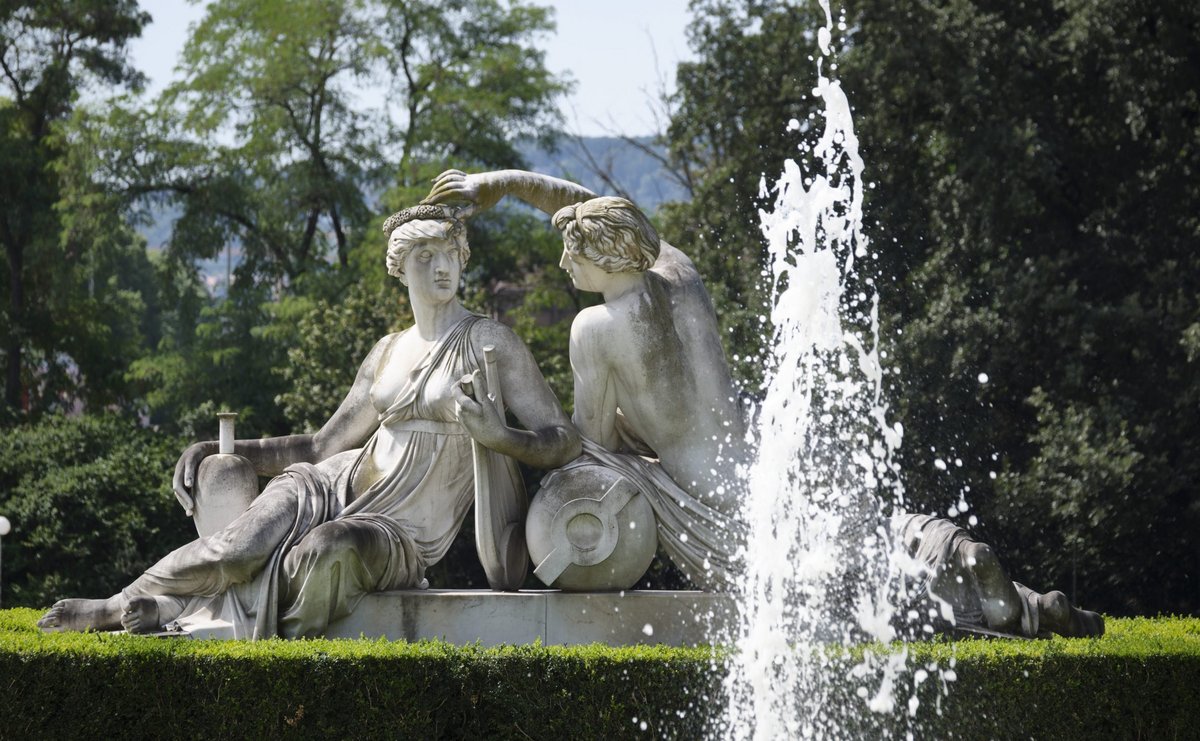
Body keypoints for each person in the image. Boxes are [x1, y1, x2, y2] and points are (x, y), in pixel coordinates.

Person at [38, 204, 580, 638]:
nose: (442, 266)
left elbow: (563, 440)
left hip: (400, 531)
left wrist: (501, 437)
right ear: (400, 268)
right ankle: (118, 603)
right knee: (240, 547)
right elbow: (321, 446)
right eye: (424, 255)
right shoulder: (387, 351)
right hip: (334, 481)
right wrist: (221, 447)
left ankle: (192, 618)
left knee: (324, 551)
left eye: (451, 254)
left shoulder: (489, 342)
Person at [423, 171, 747, 589]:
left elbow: (588, 444)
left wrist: (501, 436)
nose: (563, 264)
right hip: (751, 467)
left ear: (603, 257)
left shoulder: (595, 327)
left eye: (572, 255)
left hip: (705, 501)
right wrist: (503, 183)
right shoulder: (678, 273)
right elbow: (603, 209)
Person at [895, 513, 1104, 637]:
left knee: (966, 609)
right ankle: (1036, 606)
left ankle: (1032, 608)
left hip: (901, 578)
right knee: (920, 534)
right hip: (921, 533)